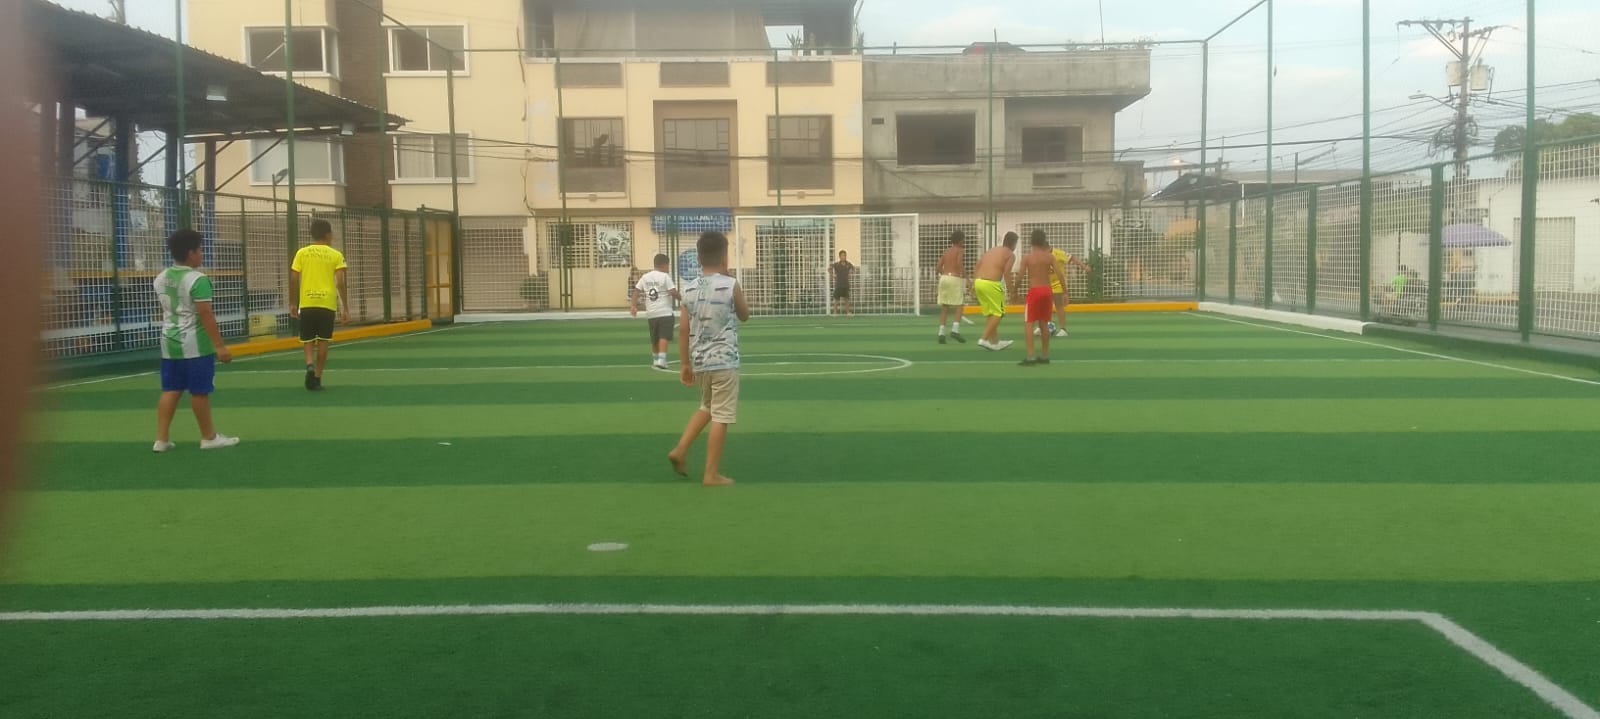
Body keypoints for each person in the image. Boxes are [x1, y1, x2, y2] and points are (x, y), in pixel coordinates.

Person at [667, 231, 750, 487]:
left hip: (700, 361)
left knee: (707, 407)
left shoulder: (689, 289)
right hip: (725, 360)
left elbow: (683, 330)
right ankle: (711, 474)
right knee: (721, 416)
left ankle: (680, 450)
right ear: (725, 257)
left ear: (699, 258)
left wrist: (684, 363)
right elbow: (745, 315)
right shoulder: (730, 284)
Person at [152, 229, 239, 452]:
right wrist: (219, 346)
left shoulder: (161, 277)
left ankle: (161, 439)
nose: (202, 254)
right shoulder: (198, 280)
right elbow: (205, 313)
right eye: (200, 250)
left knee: (171, 389)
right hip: (195, 344)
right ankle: (208, 437)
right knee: (199, 391)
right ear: (191, 253)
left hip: (169, 341)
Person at [289, 218, 348, 391]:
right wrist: (345, 307)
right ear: (328, 235)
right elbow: (340, 282)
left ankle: (309, 363)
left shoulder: (302, 253)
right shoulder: (336, 255)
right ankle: (317, 377)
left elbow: (293, 279)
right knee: (323, 341)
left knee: (307, 339)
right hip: (326, 303)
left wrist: (293, 302)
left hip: (307, 302)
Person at [1019, 230, 1070, 366]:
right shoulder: (1049, 257)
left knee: (1029, 322)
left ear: (1031, 241)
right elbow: (1059, 274)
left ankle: (1030, 356)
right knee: (1044, 323)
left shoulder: (1027, 258)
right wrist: (1065, 292)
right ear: (1043, 241)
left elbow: (1020, 276)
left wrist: (1013, 291)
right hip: (1047, 290)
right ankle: (1044, 355)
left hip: (1035, 290)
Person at [631, 253, 680, 370]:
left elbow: (636, 291)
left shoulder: (645, 277)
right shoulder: (665, 277)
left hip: (651, 313)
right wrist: (683, 299)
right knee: (663, 336)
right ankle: (662, 360)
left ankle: (655, 359)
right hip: (664, 311)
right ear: (665, 265)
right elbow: (673, 292)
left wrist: (633, 305)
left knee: (654, 338)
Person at [972, 232, 1019, 351]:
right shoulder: (1010, 255)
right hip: (991, 284)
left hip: (979, 282)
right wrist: (1012, 292)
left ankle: (995, 342)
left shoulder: (992, 250)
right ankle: (984, 339)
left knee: (991, 313)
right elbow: (1007, 273)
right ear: (1014, 243)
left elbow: (977, 265)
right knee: (998, 313)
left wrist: (973, 284)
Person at [1036, 242, 1092, 338]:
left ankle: (1063, 329)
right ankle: (1044, 326)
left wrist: (1084, 266)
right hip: (1045, 283)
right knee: (1043, 305)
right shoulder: (1041, 256)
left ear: (1048, 248)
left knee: (1059, 305)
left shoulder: (1058, 253)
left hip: (1058, 283)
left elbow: (1072, 258)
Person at [935, 230, 968, 344]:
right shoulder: (960, 250)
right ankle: (955, 330)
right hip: (954, 278)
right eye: (963, 239)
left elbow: (938, 267)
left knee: (945, 307)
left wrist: (945, 273)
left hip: (944, 278)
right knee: (959, 305)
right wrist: (966, 277)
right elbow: (959, 263)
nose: (964, 241)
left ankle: (941, 333)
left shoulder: (946, 251)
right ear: (960, 240)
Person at [828, 250, 855, 317]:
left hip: (846, 284)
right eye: (842, 255)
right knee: (836, 299)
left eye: (845, 255)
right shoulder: (837, 264)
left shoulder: (848, 264)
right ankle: (835, 313)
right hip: (839, 284)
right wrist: (832, 275)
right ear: (839, 256)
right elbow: (829, 269)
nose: (843, 257)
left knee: (847, 299)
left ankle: (848, 313)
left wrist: (850, 274)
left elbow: (853, 269)